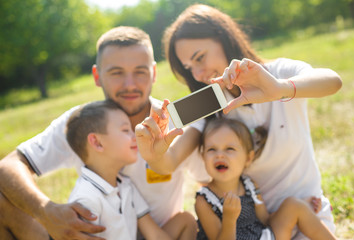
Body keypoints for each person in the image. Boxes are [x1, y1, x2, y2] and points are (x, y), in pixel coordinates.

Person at [135, 4, 342, 239]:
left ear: (224, 37)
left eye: (200, 58)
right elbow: (169, 162)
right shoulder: (209, 105)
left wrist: (279, 89)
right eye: (189, 68)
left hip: (306, 214)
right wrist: (153, 153)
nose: (198, 74)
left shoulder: (278, 72)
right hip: (252, 227)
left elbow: (333, 81)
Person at [0, 26, 208, 239]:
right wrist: (45, 210)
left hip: (158, 234)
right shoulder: (83, 121)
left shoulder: (178, 118)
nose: (130, 84)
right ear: (97, 76)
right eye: (116, 73)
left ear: (153, 73)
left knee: (187, 219)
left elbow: (213, 181)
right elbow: (8, 166)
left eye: (140, 71)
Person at [65, 100, 196, 240]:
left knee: (186, 220)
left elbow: (156, 236)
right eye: (126, 130)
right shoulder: (85, 201)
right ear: (97, 142)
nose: (135, 136)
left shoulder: (125, 185)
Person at [195, 117, 336, 240]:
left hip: (264, 237)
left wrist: (304, 204)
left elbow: (265, 220)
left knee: (293, 205)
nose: (219, 155)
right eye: (211, 149)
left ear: (248, 158)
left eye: (229, 149)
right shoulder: (205, 200)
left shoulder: (249, 185)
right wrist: (229, 219)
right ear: (203, 157)